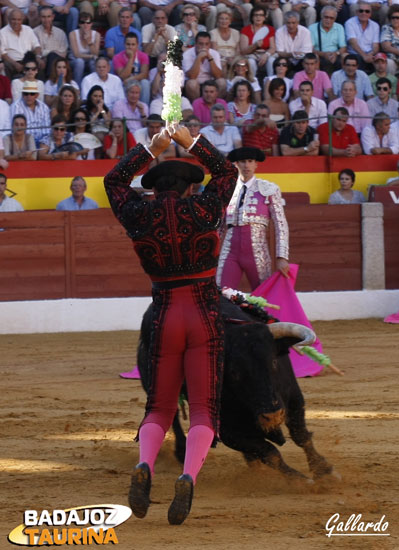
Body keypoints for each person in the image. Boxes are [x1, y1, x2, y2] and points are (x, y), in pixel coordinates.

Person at [103, 124, 238, 525]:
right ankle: (187, 476)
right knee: (202, 410)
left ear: (156, 188)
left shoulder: (138, 212)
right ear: (187, 188)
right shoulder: (204, 207)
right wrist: (190, 141)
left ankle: (145, 464)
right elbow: (228, 173)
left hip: (163, 314)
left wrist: (150, 147)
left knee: (159, 407)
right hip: (204, 315)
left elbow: (113, 180)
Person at [216, 146, 289, 291]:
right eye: (242, 161)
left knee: (263, 295)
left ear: (256, 164)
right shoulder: (226, 189)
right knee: (221, 293)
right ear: (236, 164)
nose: (246, 165)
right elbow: (219, 226)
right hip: (230, 250)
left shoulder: (269, 189)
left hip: (258, 251)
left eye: (250, 161)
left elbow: (280, 224)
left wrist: (282, 257)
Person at [183, 31, 226, 101]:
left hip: (210, 81)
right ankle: (196, 107)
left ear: (210, 45)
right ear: (196, 44)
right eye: (201, 44)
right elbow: (192, 76)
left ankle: (217, 107)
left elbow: (218, 75)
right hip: (195, 82)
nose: (204, 47)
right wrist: (199, 58)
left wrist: (210, 58)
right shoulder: (187, 54)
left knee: (222, 82)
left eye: (206, 44)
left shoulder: (214, 54)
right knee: (191, 84)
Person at [0, 9, 42, 79]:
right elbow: (3, 54)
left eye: (19, 19)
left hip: (28, 60)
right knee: (6, 66)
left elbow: (37, 46)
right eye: (14, 19)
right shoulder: (2, 32)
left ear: (22, 20)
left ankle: (40, 87)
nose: (16, 22)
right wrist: (15, 64)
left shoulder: (28, 29)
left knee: (40, 64)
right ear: (9, 19)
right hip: (12, 61)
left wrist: (38, 57)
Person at [112, 32, 150, 105]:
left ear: (137, 45)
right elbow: (123, 76)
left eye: (133, 44)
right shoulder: (117, 57)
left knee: (145, 83)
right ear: (124, 44)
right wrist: (131, 58)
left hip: (137, 82)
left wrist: (131, 79)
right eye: (128, 44)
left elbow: (144, 74)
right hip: (124, 83)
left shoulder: (143, 56)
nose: (130, 47)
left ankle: (145, 108)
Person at [239, 5, 276, 78]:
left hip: (265, 55)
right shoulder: (246, 30)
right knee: (251, 62)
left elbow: (273, 48)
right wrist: (254, 45)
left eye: (261, 15)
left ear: (264, 17)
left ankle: (271, 81)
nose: (258, 17)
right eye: (256, 15)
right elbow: (243, 51)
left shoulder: (270, 29)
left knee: (271, 60)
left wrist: (266, 55)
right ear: (252, 17)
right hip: (251, 55)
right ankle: (253, 82)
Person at [11, 80, 50, 147]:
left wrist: (43, 143)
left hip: (42, 142)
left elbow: (46, 130)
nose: (29, 96)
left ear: (36, 95)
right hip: (24, 142)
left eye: (32, 93)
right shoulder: (16, 106)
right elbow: (16, 129)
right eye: (26, 94)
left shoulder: (44, 107)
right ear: (22, 94)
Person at [309, 6, 347, 75]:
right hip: (319, 55)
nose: (328, 20)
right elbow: (310, 49)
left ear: (335, 19)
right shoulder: (312, 28)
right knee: (314, 57)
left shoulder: (339, 27)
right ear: (321, 16)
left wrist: (336, 54)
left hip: (335, 55)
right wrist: (324, 54)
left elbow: (343, 47)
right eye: (326, 17)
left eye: (331, 18)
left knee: (345, 56)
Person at [33, 6, 69, 78]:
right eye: (43, 17)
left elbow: (63, 54)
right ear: (40, 17)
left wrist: (49, 54)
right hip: (41, 62)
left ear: (53, 17)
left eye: (48, 16)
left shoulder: (60, 33)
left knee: (52, 56)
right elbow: (35, 51)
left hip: (57, 63)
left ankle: (51, 80)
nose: (46, 20)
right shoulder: (34, 32)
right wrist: (42, 58)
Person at [344, 1, 379, 72]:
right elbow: (353, 43)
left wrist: (370, 54)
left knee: (380, 62)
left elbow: (376, 46)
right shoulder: (349, 23)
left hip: (370, 54)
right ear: (357, 12)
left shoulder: (375, 25)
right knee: (357, 60)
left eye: (367, 11)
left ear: (370, 14)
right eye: (361, 11)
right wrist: (364, 56)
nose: (364, 13)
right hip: (355, 54)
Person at [68, 13, 101, 86]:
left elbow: (96, 53)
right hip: (75, 61)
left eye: (88, 22)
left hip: (90, 61)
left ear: (91, 24)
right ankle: (77, 86)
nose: (85, 25)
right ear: (79, 24)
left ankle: (95, 85)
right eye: (82, 22)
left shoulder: (96, 35)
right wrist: (91, 56)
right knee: (80, 62)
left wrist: (89, 42)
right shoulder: (73, 34)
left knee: (93, 62)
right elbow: (76, 54)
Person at [209, 9, 240, 76]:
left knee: (239, 63)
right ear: (217, 21)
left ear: (230, 21)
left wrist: (234, 58)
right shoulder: (213, 33)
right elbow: (214, 51)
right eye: (221, 19)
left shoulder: (236, 32)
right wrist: (225, 58)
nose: (224, 21)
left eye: (226, 19)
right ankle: (224, 83)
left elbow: (238, 50)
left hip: (233, 57)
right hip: (219, 57)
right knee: (223, 63)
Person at [380, 4, 399, 77]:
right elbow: (386, 46)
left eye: (398, 18)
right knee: (389, 63)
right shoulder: (387, 28)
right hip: (393, 60)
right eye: (393, 18)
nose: (395, 20)